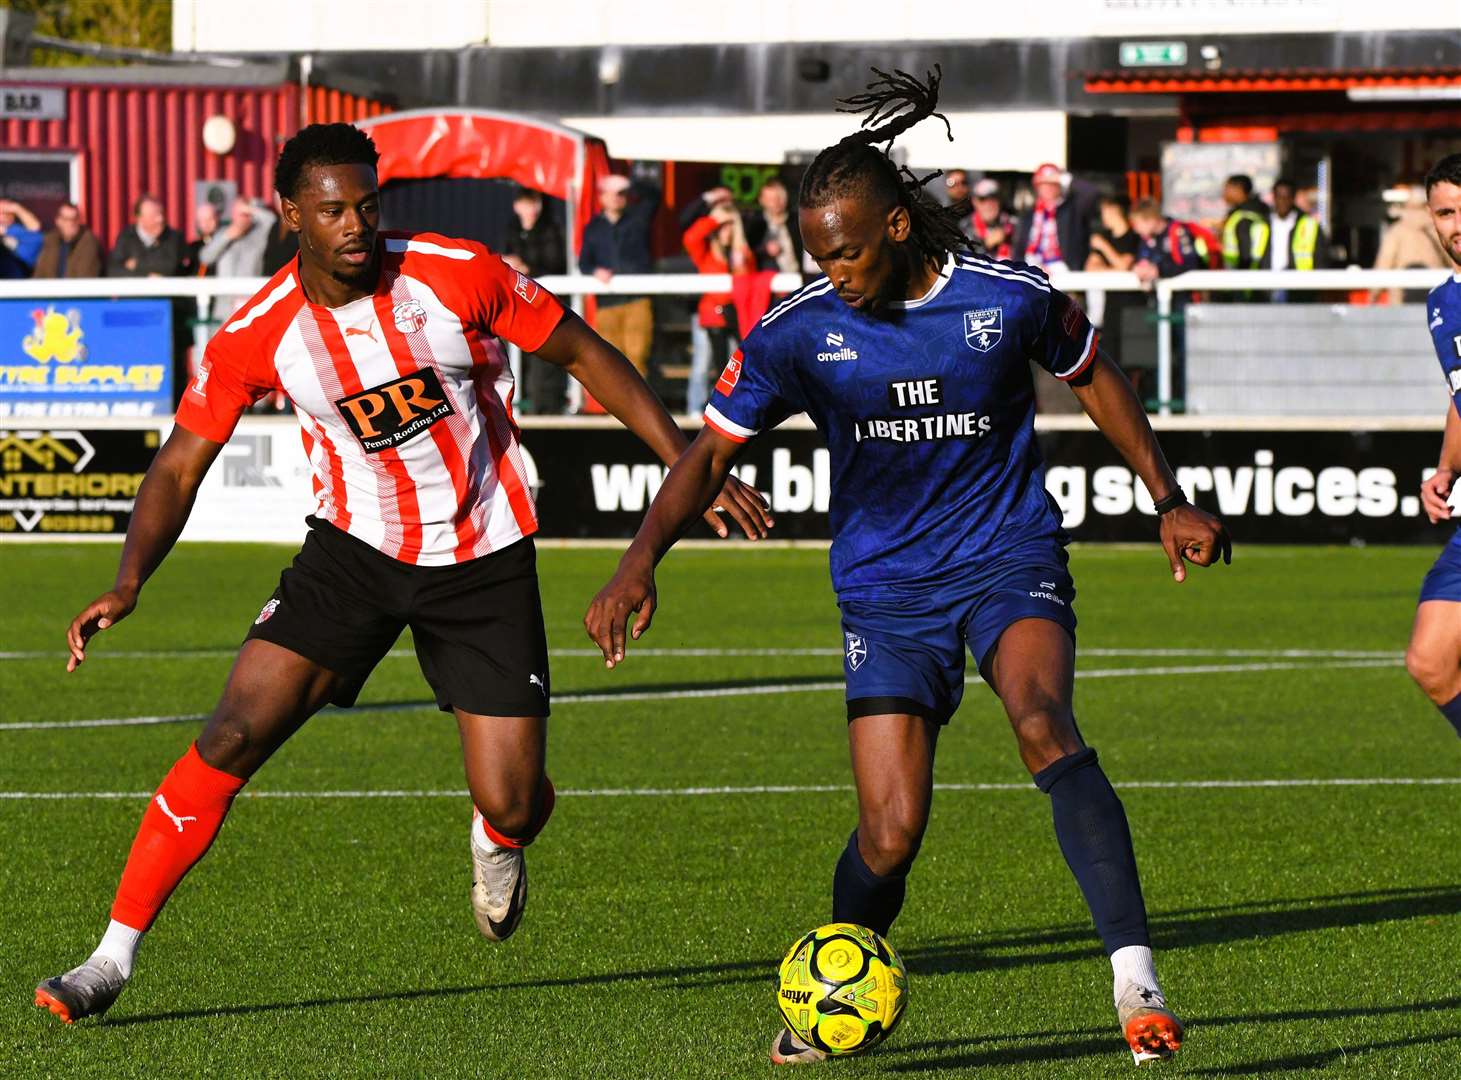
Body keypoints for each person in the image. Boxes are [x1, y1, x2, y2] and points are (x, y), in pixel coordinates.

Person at [33, 122, 769, 1026]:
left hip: (483, 554)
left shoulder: (455, 271)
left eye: (367, 205)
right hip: (353, 553)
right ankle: (110, 957)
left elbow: (582, 353)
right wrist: (131, 579)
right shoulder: (261, 333)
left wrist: (684, 464)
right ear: (290, 213)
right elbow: (181, 464)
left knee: (511, 801)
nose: (355, 226)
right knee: (230, 732)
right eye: (334, 209)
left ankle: (501, 829)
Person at [584, 67, 1229, 1069]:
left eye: (843, 250)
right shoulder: (800, 331)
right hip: (885, 591)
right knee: (889, 835)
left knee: (1042, 723)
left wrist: (1168, 494)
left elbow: (1093, 374)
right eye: (815, 254)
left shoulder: (1005, 299)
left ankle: (1135, 981)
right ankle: (833, 990)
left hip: (1007, 555)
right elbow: (708, 452)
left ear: (893, 225)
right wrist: (638, 561)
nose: (830, 269)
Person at [1405, 153, 1461, 740]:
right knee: (1431, 661)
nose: (1457, 224)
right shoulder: (1442, 302)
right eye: (1446, 212)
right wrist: (1445, 467)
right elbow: (1459, 393)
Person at [578, 173, 659, 377]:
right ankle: (615, 410)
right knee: (611, 364)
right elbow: (584, 263)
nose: (616, 197)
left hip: (637, 300)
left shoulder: (637, 219)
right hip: (607, 302)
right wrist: (595, 271)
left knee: (637, 357)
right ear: (602, 197)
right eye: (611, 193)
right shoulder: (593, 227)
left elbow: (654, 195)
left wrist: (630, 183)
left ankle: (637, 409)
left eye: (621, 193)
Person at [683, 193, 754, 417]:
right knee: (702, 364)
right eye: (722, 227)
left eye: (729, 226)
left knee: (734, 365)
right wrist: (715, 219)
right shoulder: (705, 252)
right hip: (709, 317)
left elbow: (747, 286)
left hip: (735, 318)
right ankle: (694, 409)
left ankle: (732, 409)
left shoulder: (743, 254)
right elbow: (691, 238)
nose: (726, 231)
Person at [503, 187, 569, 415]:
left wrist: (527, 267)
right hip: (520, 305)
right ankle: (522, 402)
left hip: (546, 304)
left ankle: (547, 406)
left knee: (546, 357)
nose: (529, 209)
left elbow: (557, 264)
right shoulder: (512, 230)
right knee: (518, 355)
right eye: (525, 203)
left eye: (533, 203)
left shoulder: (551, 230)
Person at [199, 195, 280, 318]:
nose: (241, 218)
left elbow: (271, 220)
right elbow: (205, 257)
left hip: (250, 301)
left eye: (245, 213)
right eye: (238, 213)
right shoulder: (223, 233)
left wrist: (250, 209)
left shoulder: (259, 234)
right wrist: (227, 237)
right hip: (224, 305)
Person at [1374, 186, 1447, 304]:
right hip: (1435, 296)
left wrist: (1373, 295)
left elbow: (1384, 263)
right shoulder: (1440, 230)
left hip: (1402, 299)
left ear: (1407, 206)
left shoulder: (1396, 231)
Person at [1015, 162, 1091, 272]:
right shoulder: (1028, 215)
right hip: (1031, 268)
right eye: (1044, 183)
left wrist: (1065, 179)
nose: (1048, 188)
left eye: (1053, 183)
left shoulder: (1071, 209)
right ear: (1037, 187)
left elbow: (1091, 193)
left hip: (1062, 269)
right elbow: (1019, 250)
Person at [108, 194, 185, 278]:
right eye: (154, 215)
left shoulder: (174, 237)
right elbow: (114, 271)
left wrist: (137, 264)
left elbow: (170, 267)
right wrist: (147, 276)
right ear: (139, 218)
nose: (161, 219)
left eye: (161, 213)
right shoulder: (126, 237)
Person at [744, 176, 803, 274]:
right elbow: (747, 253)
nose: (776, 202)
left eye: (779, 197)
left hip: (798, 279)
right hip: (767, 282)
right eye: (771, 199)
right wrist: (765, 250)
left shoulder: (798, 222)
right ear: (762, 200)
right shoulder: (755, 225)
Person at [32, 202, 104, 279]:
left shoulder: (89, 242)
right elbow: (40, 274)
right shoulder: (50, 241)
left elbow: (85, 276)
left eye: (74, 219)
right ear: (58, 221)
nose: (70, 223)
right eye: (66, 219)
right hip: (50, 289)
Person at [1220, 174, 1270, 272]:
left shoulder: (1244, 217)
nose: (1224, 193)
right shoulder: (1256, 210)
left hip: (1243, 278)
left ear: (1238, 189)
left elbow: (1245, 254)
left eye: (1227, 188)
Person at [0, 197, 44, 278]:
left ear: (12, 216)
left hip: (14, 283)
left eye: (4, 212)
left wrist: (16, 208)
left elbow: (35, 228)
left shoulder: (19, 232)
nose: (1, 215)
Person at [970, 178, 1012, 259]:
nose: (988, 204)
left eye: (993, 198)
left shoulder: (1013, 225)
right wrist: (985, 245)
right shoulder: (964, 227)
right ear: (974, 202)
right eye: (982, 199)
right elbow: (961, 259)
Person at [184, 202, 220, 277]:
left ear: (217, 218)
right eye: (203, 220)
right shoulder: (192, 248)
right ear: (198, 223)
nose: (207, 223)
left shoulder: (226, 245)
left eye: (210, 219)